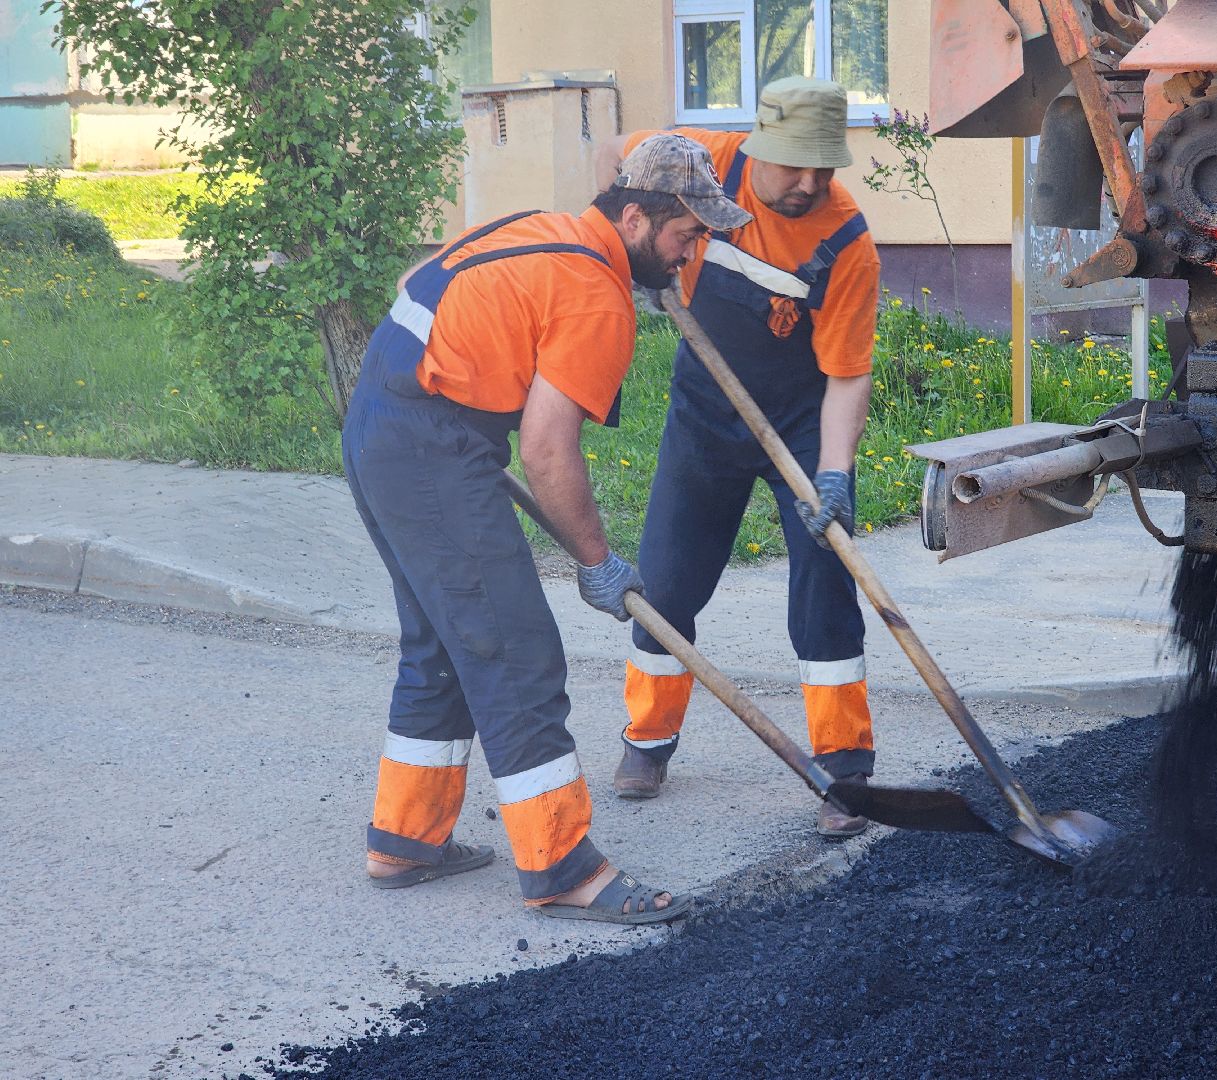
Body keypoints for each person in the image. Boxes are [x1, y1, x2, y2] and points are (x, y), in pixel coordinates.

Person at [342, 134, 751, 923]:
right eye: (684, 236)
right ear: (635, 217)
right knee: (517, 653)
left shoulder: (535, 227)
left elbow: (415, 284)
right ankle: (564, 866)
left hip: (378, 424)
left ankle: (403, 840)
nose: (691, 255)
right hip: (429, 449)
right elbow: (547, 447)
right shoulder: (595, 289)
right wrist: (597, 563)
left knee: (445, 642)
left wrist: (463, 382)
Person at [596, 78, 882, 837]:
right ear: (758, 146)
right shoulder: (701, 166)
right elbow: (609, 159)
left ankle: (844, 771)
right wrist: (639, 259)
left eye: (825, 167)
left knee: (826, 588)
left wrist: (834, 473)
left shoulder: (845, 238)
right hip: (703, 415)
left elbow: (849, 374)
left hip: (800, 421)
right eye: (795, 166)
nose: (811, 183)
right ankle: (647, 742)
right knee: (665, 583)